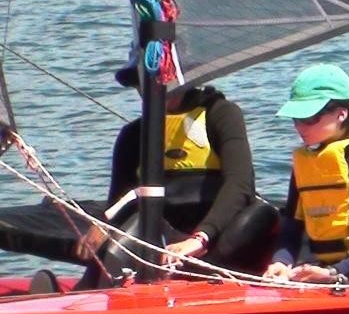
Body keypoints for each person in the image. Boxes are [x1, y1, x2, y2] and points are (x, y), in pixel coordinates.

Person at [73, 57, 277, 287]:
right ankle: (84, 293)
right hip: (164, 240)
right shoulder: (132, 135)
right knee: (124, 228)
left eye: (155, 80)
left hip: (217, 236)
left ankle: (193, 276)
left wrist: (200, 238)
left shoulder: (221, 114)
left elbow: (240, 184)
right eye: (141, 83)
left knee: (262, 213)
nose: (146, 89)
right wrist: (103, 226)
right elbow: (119, 199)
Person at [263, 64, 349, 285]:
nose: (300, 127)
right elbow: (291, 230)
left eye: (309, 118)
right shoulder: (305, 163)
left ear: (341, 113)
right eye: (296, 119)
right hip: (328, 270)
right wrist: (281, 262)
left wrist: (335, 273)